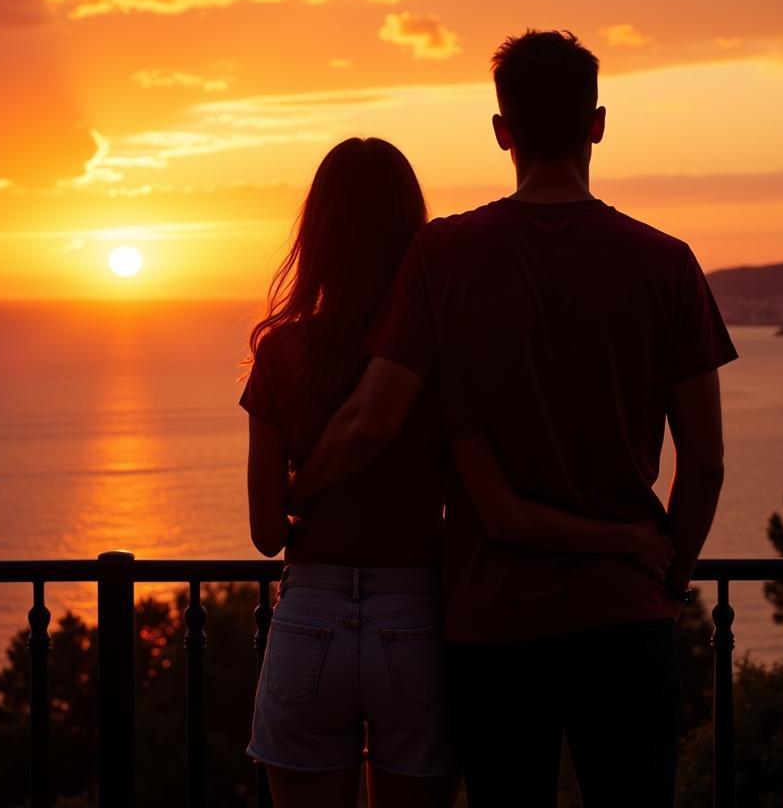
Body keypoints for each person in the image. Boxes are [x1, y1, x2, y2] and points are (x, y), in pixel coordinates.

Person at [289, 31, 739, 807]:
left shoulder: (444, 256)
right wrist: (670, 575)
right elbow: (706, 462)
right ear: (596, 123)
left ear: (503, 130)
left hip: (494, 626)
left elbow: (372, 419)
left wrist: (297, 488)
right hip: (625, 615)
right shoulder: (666, 263)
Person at [241, 136, 676, 808]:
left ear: (316, 231)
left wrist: (305, 490)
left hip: (310, 620)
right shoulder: (435, 356)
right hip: (414, 616)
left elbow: (268, 532)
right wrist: (628, 539)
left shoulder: (281, 353)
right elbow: (496, 503)